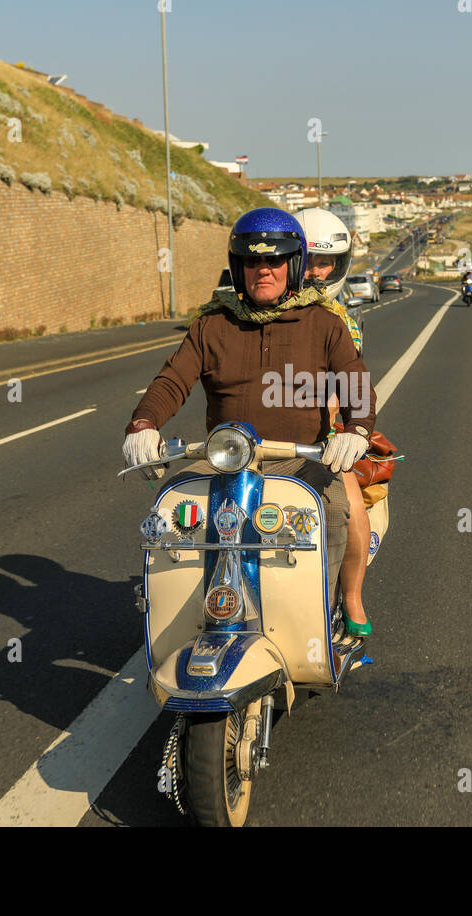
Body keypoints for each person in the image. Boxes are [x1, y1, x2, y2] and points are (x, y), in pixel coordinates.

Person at [122, 208, 376, 636]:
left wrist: (356, 431)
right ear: (237, 267)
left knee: (334, 509)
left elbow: (355, 385)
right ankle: (171, 619)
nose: (264, 270)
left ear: (292, 265)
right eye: (252, 261)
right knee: (169, 508)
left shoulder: (326, 323)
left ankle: (320, 615)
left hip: (298, 460)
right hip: (224, 461)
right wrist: (143, 423)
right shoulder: (211, 324)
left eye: (275, 260)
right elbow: (172, 380)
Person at [295, 207, 372, 634]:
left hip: (319, 434)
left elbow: (345, 384)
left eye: (325, 262)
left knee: (348, 504)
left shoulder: (343, 319)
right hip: (253, 435)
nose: (315, 272)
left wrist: (342, 433)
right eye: (306, 259)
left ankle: (351, 598)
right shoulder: (261, 305)